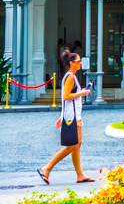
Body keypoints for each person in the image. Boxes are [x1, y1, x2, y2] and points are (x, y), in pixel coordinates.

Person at [39, 50, 95, 184]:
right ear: (72, 63)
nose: (80, 63)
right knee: (72, 145)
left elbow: (65, 98)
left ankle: (80, 175)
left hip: (72, 115)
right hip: (73, 116)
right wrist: (82, 93)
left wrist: (62, 116)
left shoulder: (70, 76)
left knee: (77, 144)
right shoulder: (70, 77)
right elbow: (66, 96)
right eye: (78, 61)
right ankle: (47, 168)